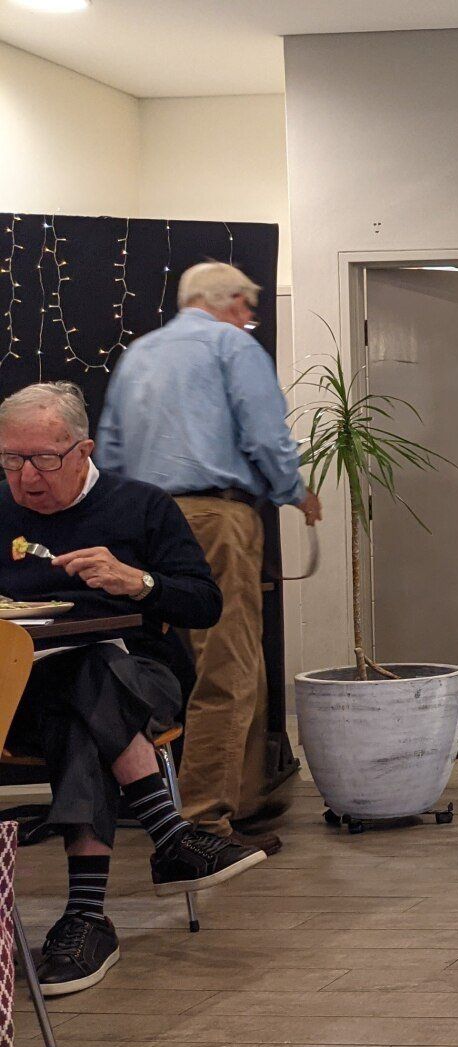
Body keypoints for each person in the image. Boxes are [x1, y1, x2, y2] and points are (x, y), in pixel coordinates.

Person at [0, 383, 267, 995]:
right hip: (23, 691)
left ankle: (87, 920)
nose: (27, 478)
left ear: (83, 449)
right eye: (12, 461)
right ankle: (170, 837)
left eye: (43, 459)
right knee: (76, 688)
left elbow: (204, 603)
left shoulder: (142, 506)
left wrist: (140, 582)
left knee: (91, 672)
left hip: (139, 677)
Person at [96, 261, 321, 852]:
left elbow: (110, 449)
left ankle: (224, 799)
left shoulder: (140, 353)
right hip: (214, 516)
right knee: (231, 665)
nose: (250, 319)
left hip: (142, 521)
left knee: (164, 664)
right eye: (247, 306)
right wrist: (295, 492)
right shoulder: (229, 344)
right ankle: (204, 822)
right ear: (224, 302)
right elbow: (263, 432)